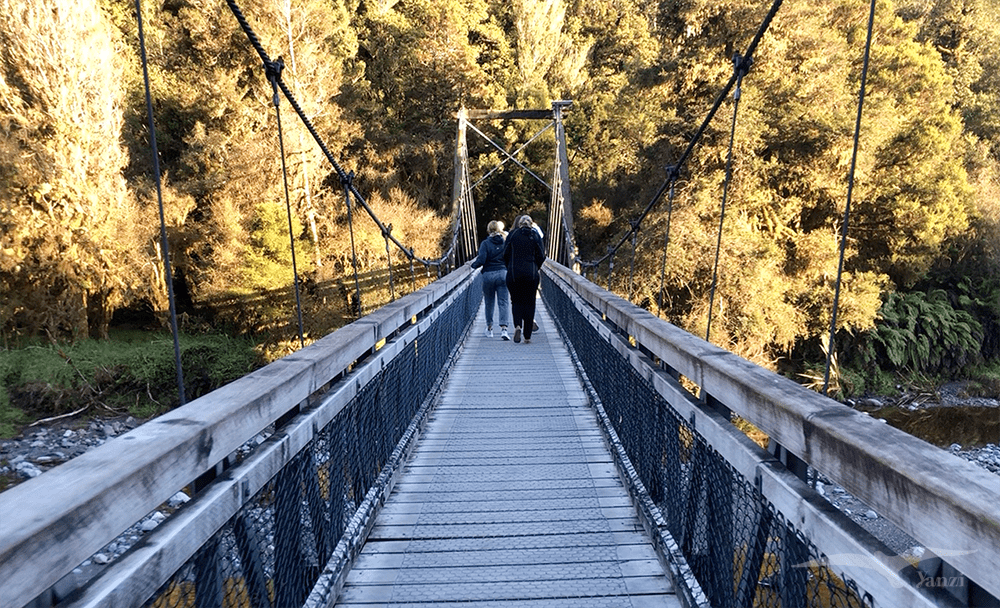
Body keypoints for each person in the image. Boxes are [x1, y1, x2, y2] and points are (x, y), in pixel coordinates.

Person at [503, 215, 545, 344]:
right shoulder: (535, 235)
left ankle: (517, 326)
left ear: (520, 224)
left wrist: (509, 267)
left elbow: (505, 254)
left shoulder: (512, 235)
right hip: (531, 274)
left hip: (514, 274)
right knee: (530, 302)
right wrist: (535, 267)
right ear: (531, 224)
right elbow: (541, 255)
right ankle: (527, 335)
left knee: (516, 301)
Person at [470, 220, 510, 340]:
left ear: (488, 230)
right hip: (503, 274)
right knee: (503, 302)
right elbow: (508, 258)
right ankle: (504, 330)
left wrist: (472, 266)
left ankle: (489, 329)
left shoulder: (485, 243)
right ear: (499, 230)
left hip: (488, 275)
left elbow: (481, 260)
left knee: (489, 302)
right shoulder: (504, 242)